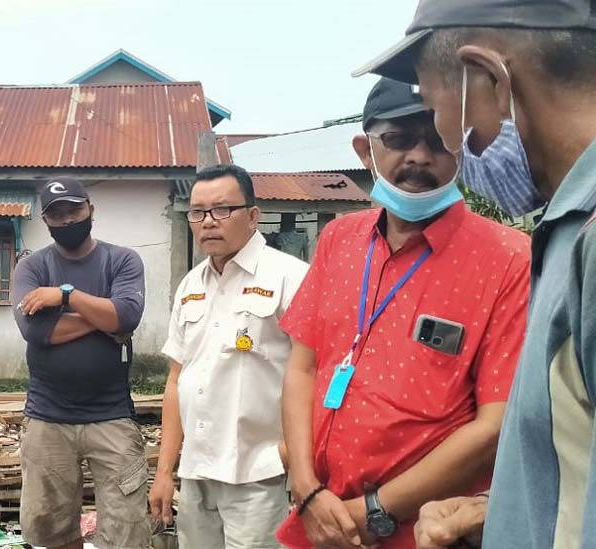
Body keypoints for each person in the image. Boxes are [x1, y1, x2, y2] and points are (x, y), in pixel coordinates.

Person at [353, 1, 596, 546]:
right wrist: (501, 510)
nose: (439, 140)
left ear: (489, 80)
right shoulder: (567, 228)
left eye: (433, 105)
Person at [277, 77, 531, 548]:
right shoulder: (339, 240)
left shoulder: (509, 259)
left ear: (463, 149)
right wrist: (306, 487)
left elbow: (496, 424)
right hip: (319, 517)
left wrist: (372, 511)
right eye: (398, 139)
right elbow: (302, 366)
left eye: (438, 140)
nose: (418, 156)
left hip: (426, 531)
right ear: (365, 150)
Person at [150, 164, 309, 548]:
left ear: (252, 216)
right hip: (197, 473)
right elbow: (176, 379)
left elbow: (317, 374)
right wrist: (165, 471)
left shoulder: (290, 278)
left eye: (222, 209)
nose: (208, 222)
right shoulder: (191, 285)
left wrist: (288, 456)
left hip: (259, 475)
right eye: (197, 212)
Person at [12, 177, 150, 549]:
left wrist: (65, 297)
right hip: (47, 417)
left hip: (112, 416)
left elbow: (127, 315)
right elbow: (36, 331)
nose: (68, 219)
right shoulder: (32, 267)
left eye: (74, 209)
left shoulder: (121, 260)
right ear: (45, 220)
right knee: (52, 532)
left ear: (91, 209)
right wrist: (104, 318)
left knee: (126, 532)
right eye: (57, 214)